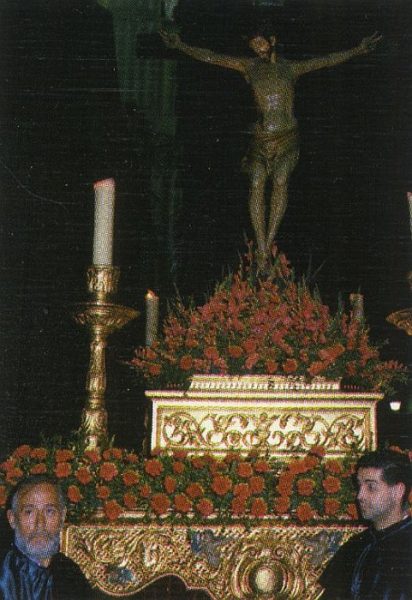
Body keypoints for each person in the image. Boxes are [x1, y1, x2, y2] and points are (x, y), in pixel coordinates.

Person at [160, 30, 382, 271]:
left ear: (273, 40)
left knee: (280, 178)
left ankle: (266, 244)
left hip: (287, 138)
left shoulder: (291, 68)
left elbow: (326, 60)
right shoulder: (249, 67)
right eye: (253, 45)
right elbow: (212, 57)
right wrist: (181, 46)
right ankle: (263, 249)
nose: (257, 48)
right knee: (256, 182)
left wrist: (357, 50)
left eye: (261, 42)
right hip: (261, 140)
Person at [319, 449, 412, 599]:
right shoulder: (355, 547)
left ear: (397, 491)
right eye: (359, 486)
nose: (360, 496)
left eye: (371, 487)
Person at [0, 474, 98, 599]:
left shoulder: (70, 574)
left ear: (62, 517)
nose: (40, 523)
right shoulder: (4, 573)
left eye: (49, 511)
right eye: (29, 512)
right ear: (12, 519)